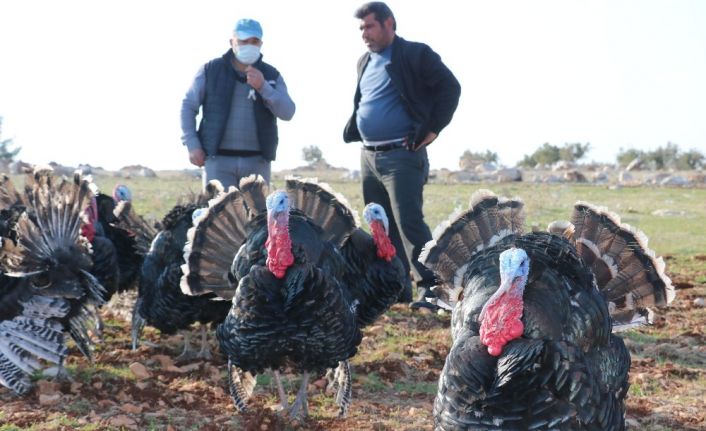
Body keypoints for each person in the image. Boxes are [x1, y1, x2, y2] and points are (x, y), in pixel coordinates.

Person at [343, 2, 461, 309]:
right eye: (361, 29)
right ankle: (397, 289)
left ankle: (433, 290)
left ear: (388, 24)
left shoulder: (415, 54)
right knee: (381, 227)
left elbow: (450, 88)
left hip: (402, 156)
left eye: (370, 26)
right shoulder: (363, 62)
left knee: (409, 223)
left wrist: (432, 129)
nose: (364, 34)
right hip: (369, 156)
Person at [181, 18, 295, 189]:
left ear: (261, 44)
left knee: (256, 216)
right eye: (243, 41)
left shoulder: (271, 75)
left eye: (254, 41)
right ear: (232, 42)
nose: (249, 45)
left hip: (258, 163)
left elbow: (288, 112)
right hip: (217, 162)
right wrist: (192, 144)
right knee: (220, 215)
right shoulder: (210, 70)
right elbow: (188, 107)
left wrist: (263, 87)